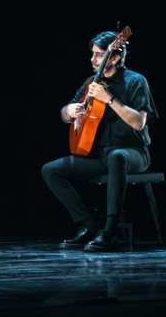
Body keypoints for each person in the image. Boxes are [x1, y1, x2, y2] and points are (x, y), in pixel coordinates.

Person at [41, 30, 158, 252]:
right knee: (50, 170)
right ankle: (87, 225)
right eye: (93, 54)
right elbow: (64, 114)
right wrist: (69, 111)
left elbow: (139, 122)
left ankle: (110, 231)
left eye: (98, 55)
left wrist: (110, 99)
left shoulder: (136, 81)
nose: (92, 59)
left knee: (117, 156)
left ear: (114, 58)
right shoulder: (91, 83)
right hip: (99, 155)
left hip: (133, 153)